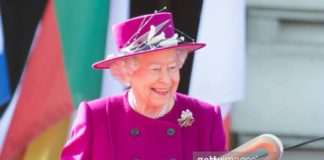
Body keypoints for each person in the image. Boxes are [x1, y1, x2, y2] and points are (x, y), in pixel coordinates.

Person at [61, 12, 226, 160]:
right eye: (155, 69)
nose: (166, 79)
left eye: (172, 68)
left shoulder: (205, 117)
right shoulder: (96, 116)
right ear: (127, 73)